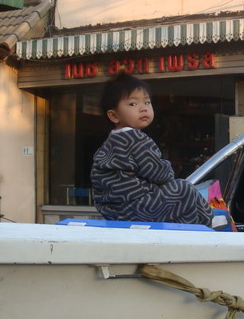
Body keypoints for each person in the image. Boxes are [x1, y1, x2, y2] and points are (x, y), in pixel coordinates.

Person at [90, 71, 213, 226]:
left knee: (178, 199)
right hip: (138, 209)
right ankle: (209, 221)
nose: (143, 108)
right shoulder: (136, 139)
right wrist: (167, 167)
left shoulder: (109, 143)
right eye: (133, 104)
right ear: (114, 116)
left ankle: (197, 223)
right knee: (183, 187)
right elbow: (163, 175)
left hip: (114, 213)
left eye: (147, 102)